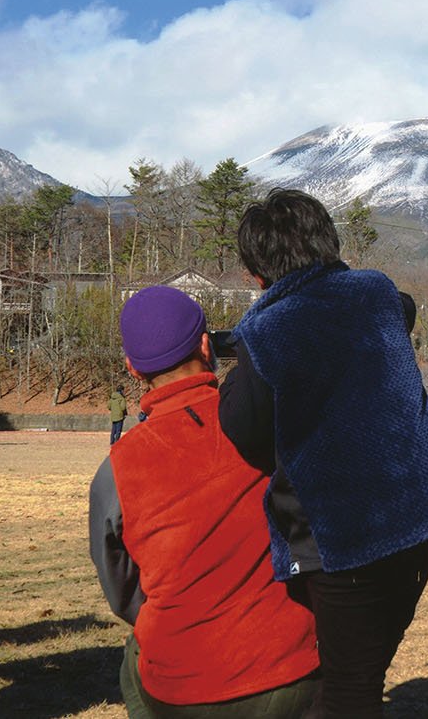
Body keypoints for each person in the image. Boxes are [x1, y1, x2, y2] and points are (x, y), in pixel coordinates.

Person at [222, 188, 428, 715]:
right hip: (423, 512)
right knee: (363, 667)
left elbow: (244, 431)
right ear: (328, 242)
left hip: (346, 536)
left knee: (348, 687)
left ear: (258, 272)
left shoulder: (265, 331)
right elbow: (405, 308)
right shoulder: (376, 293)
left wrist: (237, 363)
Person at [90, 285, 319, 717]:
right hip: (289, 667)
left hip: (181, 686)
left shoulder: (115, 471)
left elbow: (122, 594)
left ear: (132, 368)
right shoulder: (265, 424)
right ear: (205, 345)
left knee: (134, 659)